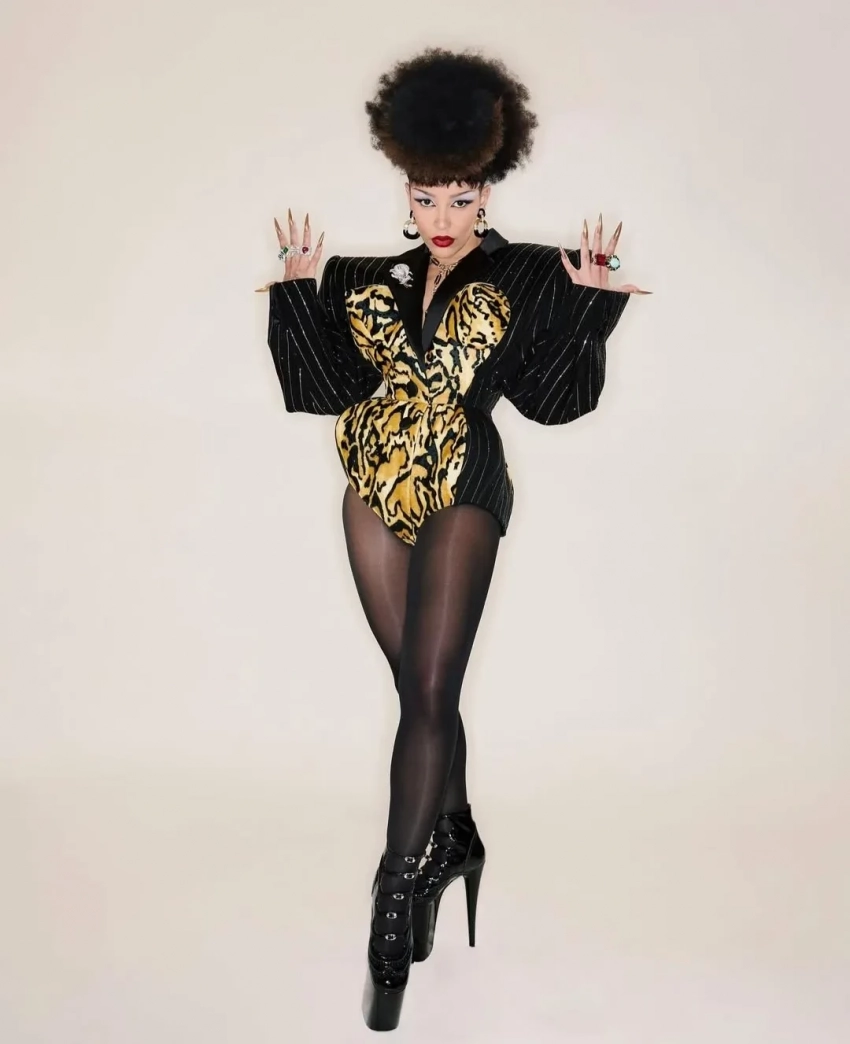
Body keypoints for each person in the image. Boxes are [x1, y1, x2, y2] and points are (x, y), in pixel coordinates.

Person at [255, 46, 648, 1032]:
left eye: (461, 197)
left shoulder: (527, 271)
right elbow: (320, 389)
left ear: (487, 190)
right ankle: (457, 836)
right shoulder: (363, 276)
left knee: (430, 692)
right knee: (418, 692)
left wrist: (591, 309)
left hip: (464, 484)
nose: (442, 215)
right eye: (427, 197)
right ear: (405, 188)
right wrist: (298, 292)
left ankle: (394, 900)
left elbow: (552, 400)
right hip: (372, 485)